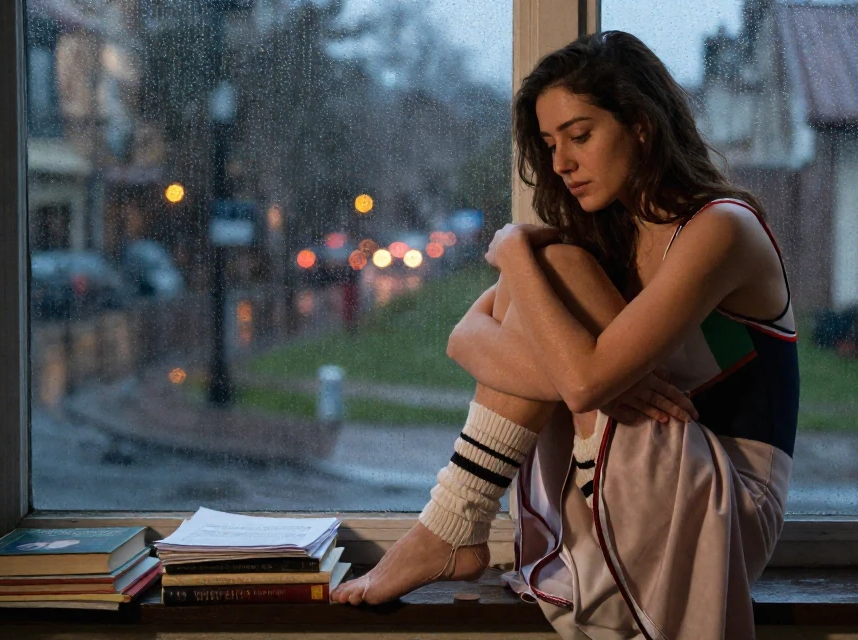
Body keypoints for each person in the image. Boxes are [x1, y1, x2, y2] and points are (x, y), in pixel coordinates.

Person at [332, 30, 798, 639]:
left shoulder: (721, 229)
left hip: (726, 506)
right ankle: (451, 524)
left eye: (580, 135)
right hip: (635, 473)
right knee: (559, 281)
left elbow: (582, 383)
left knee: (551, 273)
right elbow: (465, 338)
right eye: (550, 144)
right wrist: (604, 383)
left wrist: (515, 249)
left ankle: (451, 524)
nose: (560, 163)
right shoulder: (607, 236)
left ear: (641, 125)